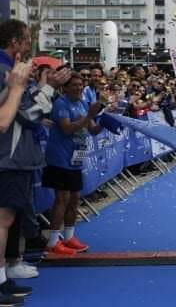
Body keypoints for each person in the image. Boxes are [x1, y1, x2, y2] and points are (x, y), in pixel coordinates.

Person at [0, 19, 59, 306]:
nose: (28, 46)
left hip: (15, 158)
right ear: (14, 42)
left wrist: (42, 86)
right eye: (25, 40)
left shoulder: (11, 73)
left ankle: (3, 278)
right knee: (3, 221)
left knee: (8, 220)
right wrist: (36, 89)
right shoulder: (5, 72)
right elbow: (27, 115)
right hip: (7, 158)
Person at [43, 73, 103, 255]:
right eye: (75, 85)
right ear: (65, 88)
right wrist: (89, 116)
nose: (78, 88)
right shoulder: (61, 104)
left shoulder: (83, 104)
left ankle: (69, 237)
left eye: (80, 85)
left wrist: (106, 121)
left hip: (76, 157)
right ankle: (53, 241)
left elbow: (92, 130)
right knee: (62, 198)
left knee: (75, 197)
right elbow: (67, 128)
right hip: (59, 157)